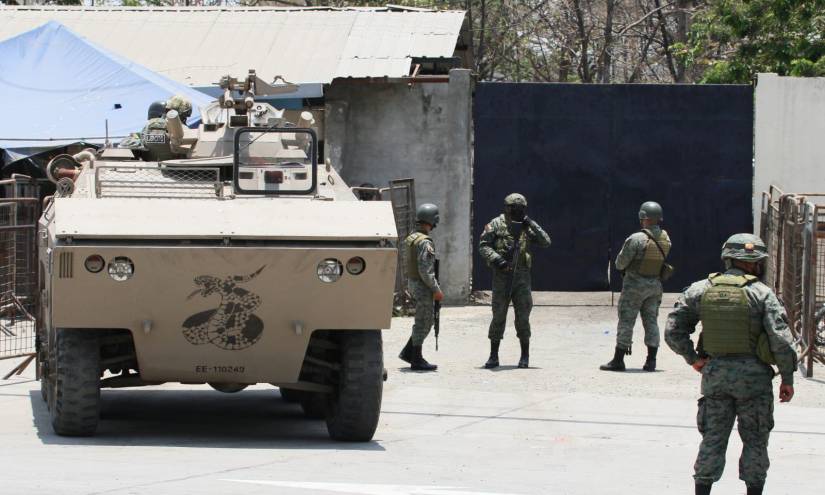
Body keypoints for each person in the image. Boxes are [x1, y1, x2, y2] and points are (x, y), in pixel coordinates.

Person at [665, 233, 797, 495]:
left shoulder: (700, 289)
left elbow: (673, 330)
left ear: (728, 259)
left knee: (713, 439)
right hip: (755, 380)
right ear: (754, 263)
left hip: (715, 377)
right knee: (756, 441)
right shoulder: (762, 293)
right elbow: (781, 340)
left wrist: (694, 359)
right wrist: (787, 378)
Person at [478, 193, 551, 369]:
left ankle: (525, 356)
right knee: (498, 316)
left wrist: (531, 223)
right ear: (507, 208)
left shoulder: (527, 227)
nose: (518, 211)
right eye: (514, 208)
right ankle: (493, 356)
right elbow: (483, 245)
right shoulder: (496, 224)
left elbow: (546, 241)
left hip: (522, 278)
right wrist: (497, 260)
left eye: (521, 208)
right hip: (502, 276)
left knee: (523, 317)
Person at [600, 201, 670, 372]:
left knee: (626, 321)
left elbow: (619, 263)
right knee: (651, 321)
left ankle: (618, 360)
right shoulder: (665, 238)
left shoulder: (636, 239)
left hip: (634, 286)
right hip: (655, 285)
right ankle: (651, 361)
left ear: (643, 217)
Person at [398, 203, 444, 371]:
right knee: (424, 321)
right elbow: (426, 270)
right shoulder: (424, 242)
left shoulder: (412, 237)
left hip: (413, 282)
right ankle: (416, 358)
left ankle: (409, 352)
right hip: (423, 285)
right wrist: (436, 289)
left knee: (425, 320)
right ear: (431, 220)